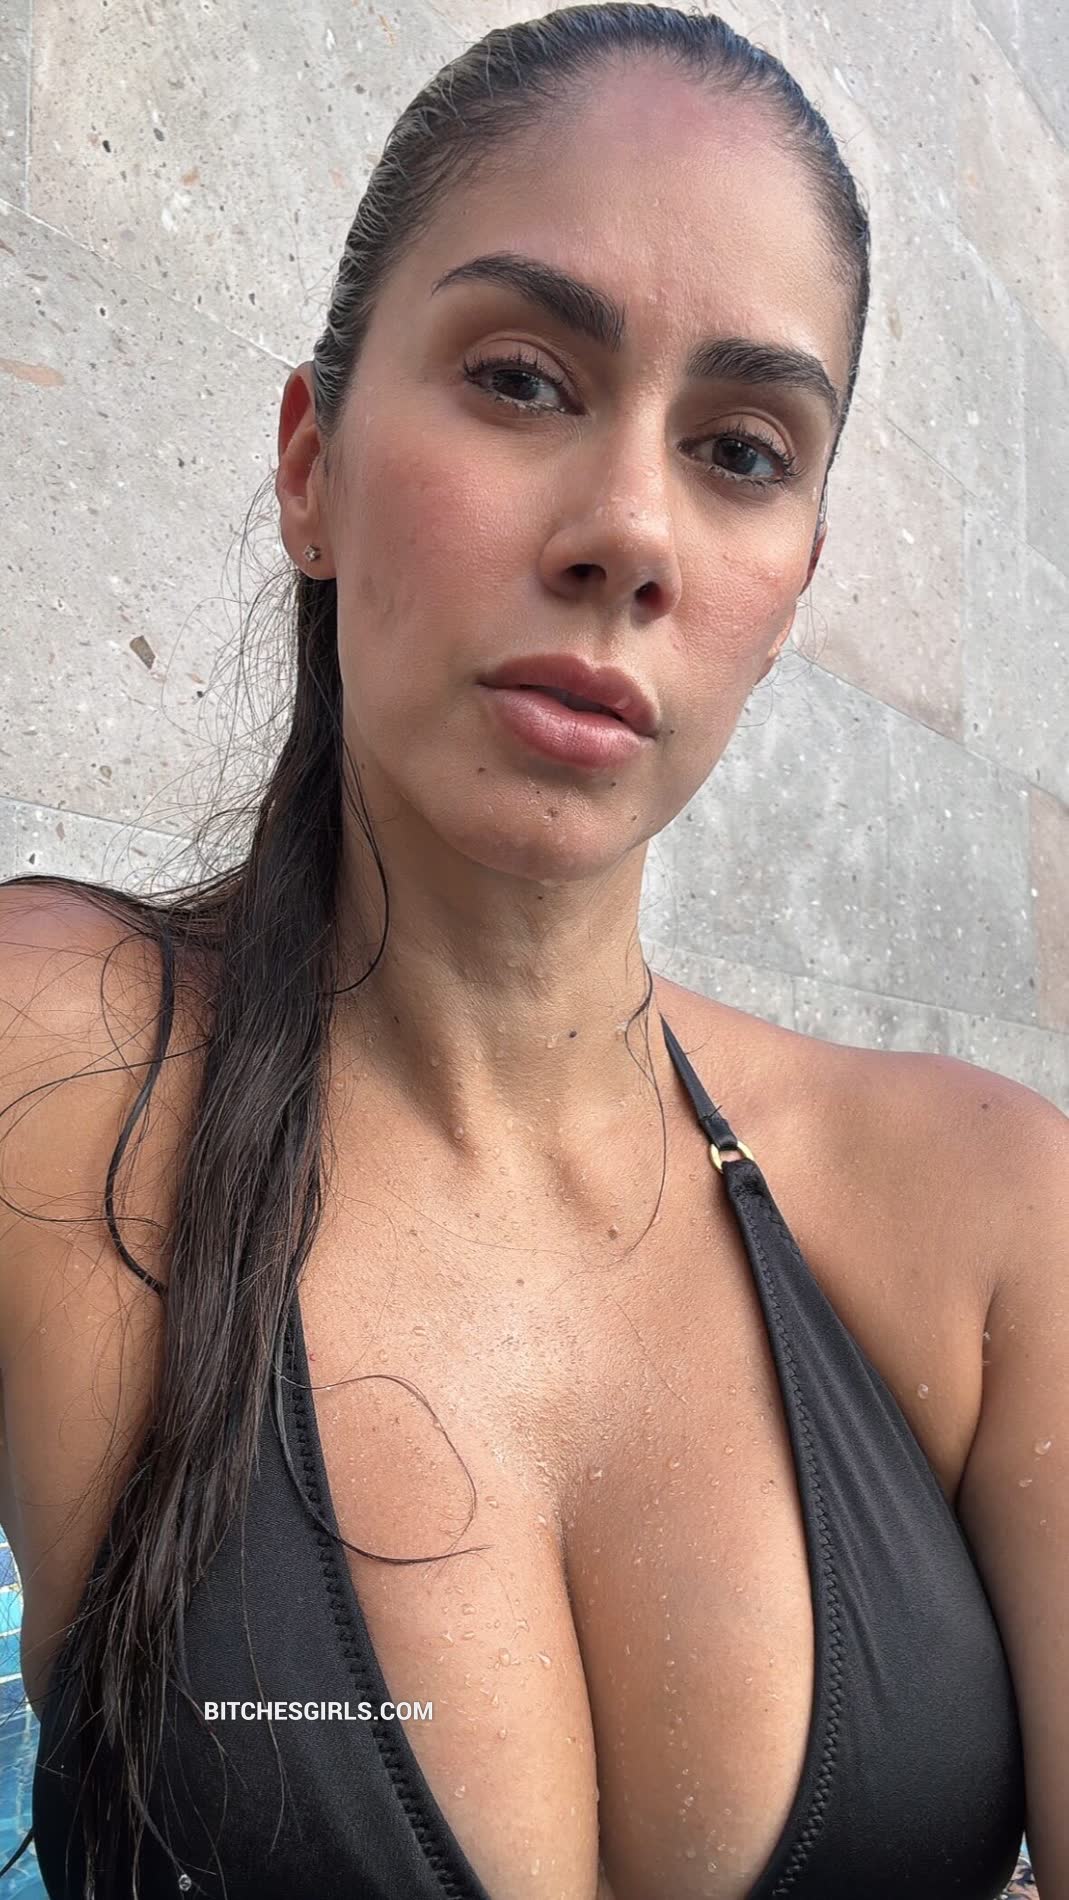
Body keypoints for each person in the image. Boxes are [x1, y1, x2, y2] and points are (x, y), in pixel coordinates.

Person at [0, 5, 1063, 1896]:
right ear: (312, 469)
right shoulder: (53, 1069)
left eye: (741, 450)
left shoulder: (985, 1215)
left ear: (788, 593)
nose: (629, 530)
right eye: (518, 378)